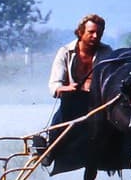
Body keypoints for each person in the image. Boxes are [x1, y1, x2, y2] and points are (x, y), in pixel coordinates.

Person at [38, 13, 113, 169]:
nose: (95, 36)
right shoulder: (65, 52)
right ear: (80, 32)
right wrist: (66, 88)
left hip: (99, 104)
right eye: (91, 32)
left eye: (99, 33)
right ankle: (50, 151)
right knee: (65, 110)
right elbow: (54, 85)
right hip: (72, 103)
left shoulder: (107, 52)